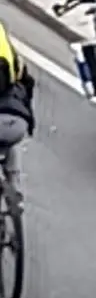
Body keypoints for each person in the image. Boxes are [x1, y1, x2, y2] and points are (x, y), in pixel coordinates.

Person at [0, 22, 35, 194]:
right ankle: (14, 185)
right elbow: (27, 82)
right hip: (18, 123)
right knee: (11, 144)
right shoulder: (5, 44)